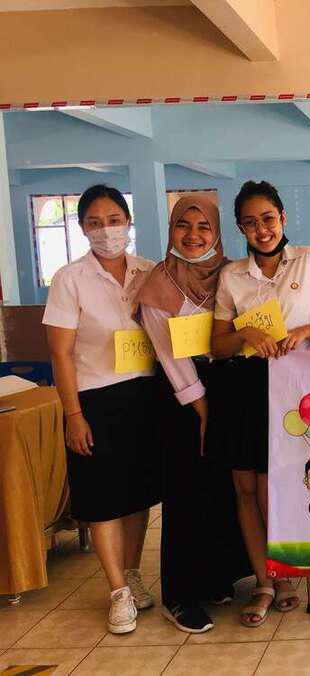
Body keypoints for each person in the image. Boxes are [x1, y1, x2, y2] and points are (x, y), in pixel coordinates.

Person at [211, 180, 310, 627]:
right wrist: (245, 333)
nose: (262, 229)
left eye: (268, 218)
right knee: (245, 490)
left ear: (283, 218)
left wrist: (303, 331)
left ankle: (284, 575)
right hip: (243, 387)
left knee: (277, 488)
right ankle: (263, 582)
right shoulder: (232, 275)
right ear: (240, 228)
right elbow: (217, 346)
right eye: (250, 223)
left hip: (293, 387)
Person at [43, 185, 159, 634]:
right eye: (95, 223)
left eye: (113, 220)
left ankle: (133, 572)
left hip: (144, 395)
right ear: (82, 228)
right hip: (94, 399)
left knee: (137, 495)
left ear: (128, 222)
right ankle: (117, 592)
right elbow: (60, 354)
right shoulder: (70, 278)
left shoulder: (148, 270)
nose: (106, 231)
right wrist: (73, 415)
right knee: (103, 498)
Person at [135, 195, 251, 633]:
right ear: (171, 230)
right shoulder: (158, 284)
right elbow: (170, 356)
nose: (193, 235)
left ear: (217, 232)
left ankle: (218, 577)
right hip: (181, 396)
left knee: (224, 486)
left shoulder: (233, 274)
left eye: (204, 227)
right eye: (184, 225)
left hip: (228, 385)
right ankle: (180, 595)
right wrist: (202, 409)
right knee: (186, 492)